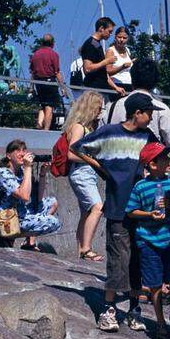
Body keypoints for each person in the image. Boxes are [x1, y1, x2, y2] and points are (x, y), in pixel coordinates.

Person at [73, 92, 158, 331]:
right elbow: (78, 148)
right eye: (149, 113)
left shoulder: (148, 136)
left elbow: (159, 157)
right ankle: (108, 308)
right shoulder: (110, 132)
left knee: (136, 261)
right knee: (117, 259)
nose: (151, 118)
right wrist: (103, 168)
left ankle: (133, 309)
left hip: (141, 208)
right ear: (137, 113)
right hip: (118, 206)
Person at [125, 141, 170, 339]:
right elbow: (131, 211)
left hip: (169, 240)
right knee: (154, 284)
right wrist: (149, 214)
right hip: (148, 241)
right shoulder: (141, 186)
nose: (169, 161)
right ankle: (160, 322)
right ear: (152, 164)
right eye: (164, 158)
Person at [0, 139, 61, 249]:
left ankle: (29, 242)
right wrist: (28, 167)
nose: (22, 153)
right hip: (3, 220)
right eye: (18, 150)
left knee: (52, 202)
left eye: (24, 150)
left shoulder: (21, 172)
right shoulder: (2, 173)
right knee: (53, 222)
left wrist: (42, 174)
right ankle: (7, 236)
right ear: (8, 155)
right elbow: (24, 196)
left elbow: (37, 199)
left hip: (19, 213)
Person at [63, 91, 106, 262]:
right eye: (99, 108)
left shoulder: (89, 127)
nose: (100, 112)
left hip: (87, 173)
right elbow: (71, 154)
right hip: (81, 173)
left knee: (86, 212)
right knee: (97, 207)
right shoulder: (79, 127)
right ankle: (86, 249)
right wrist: (93, 160)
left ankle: (81, 249)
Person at [105, 57, 170, 147]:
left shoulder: (112, 106)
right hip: (148, 159)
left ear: (132, 78)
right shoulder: (162, 109)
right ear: (155, 82)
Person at [30, 34, 63, 130]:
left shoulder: (35, 54)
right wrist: (63, 88)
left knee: (43, 104)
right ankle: (46, 130)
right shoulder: (53, 54)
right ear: (52, 44)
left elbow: (32, 73)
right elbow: (57, 72)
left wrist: (31, 88)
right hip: (49, 82)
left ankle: (40, 123)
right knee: (49, 107)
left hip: (38, 82)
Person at [79, 17, 115, 93]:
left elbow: (103, 72)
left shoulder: (97, 44)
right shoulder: (90, 44)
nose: (110, 34)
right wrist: (106, 61)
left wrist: (116, 87)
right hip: (93, 91)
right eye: (109, 31)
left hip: (102, 89)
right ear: (101, 28)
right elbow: (87, 68)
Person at [106, 25, 134, 96]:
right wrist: (122, 67)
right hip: (117, 86)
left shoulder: (127, 50)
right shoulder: (111, 51)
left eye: (124, 38)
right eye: (119, 37)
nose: (121, 40)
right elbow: (107, 71)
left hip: (130, 85)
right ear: (115, 37)